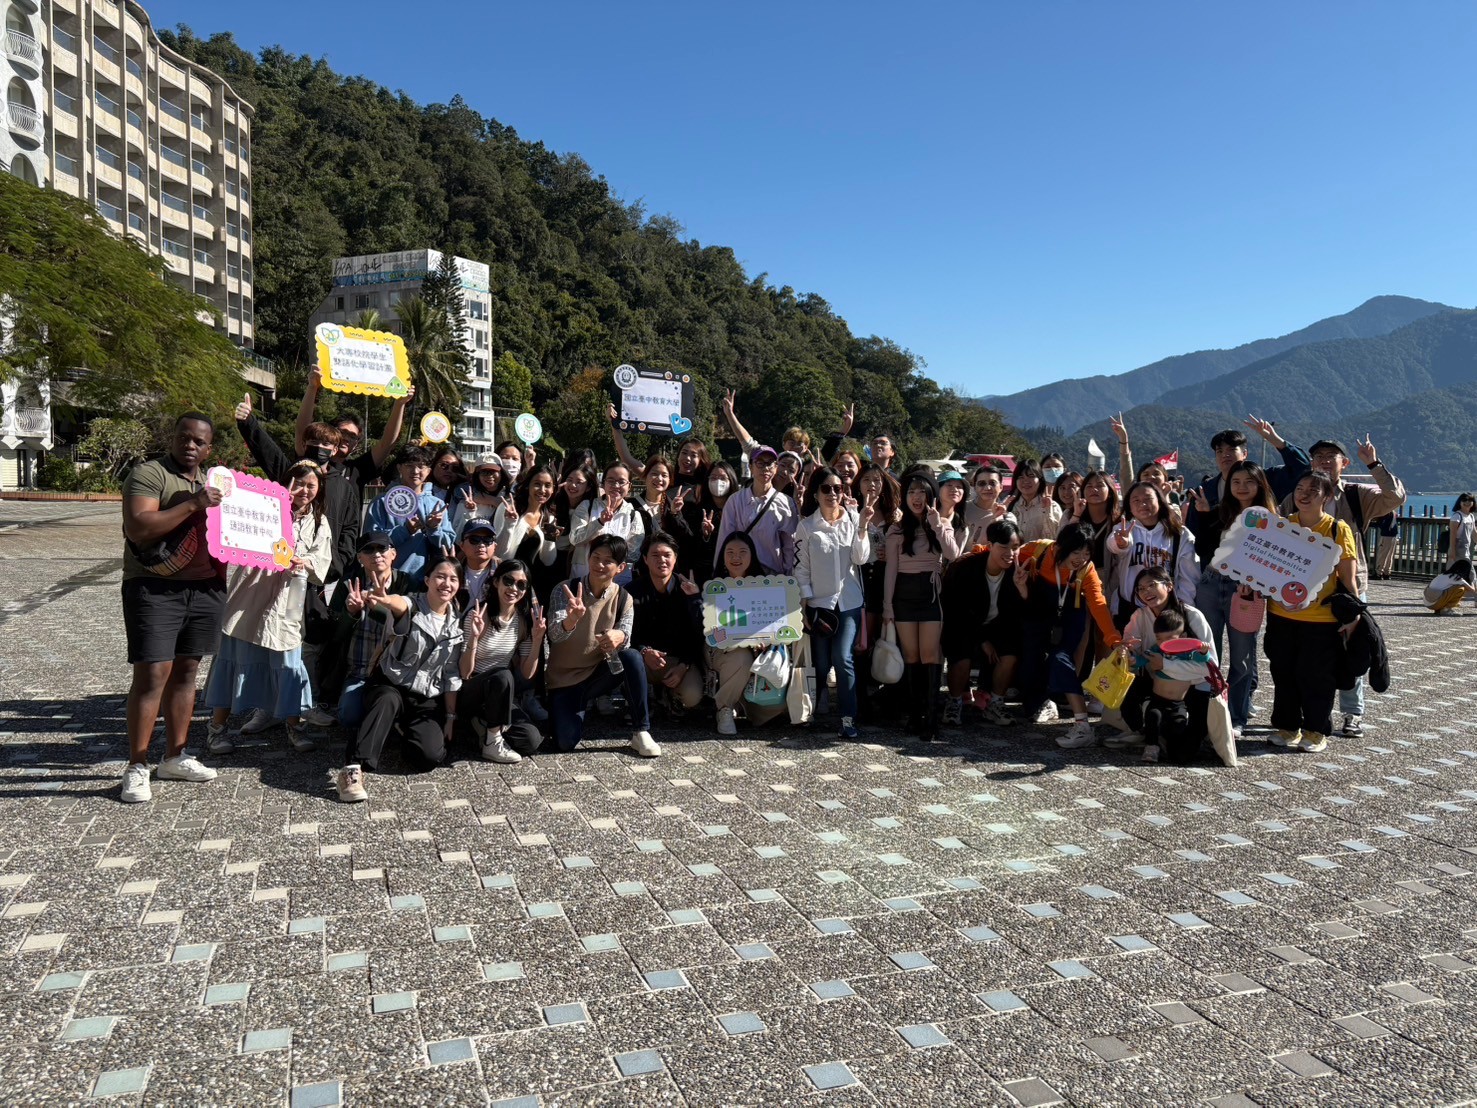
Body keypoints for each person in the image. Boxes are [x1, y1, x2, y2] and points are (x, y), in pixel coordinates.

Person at [119, 413, 226, 803]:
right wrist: (195, 504)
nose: (190, 445)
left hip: (205, 588)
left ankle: (175, 757)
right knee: (152, 675)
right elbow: (139, 528)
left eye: (199, 441)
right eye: (184, 437)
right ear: (174, 438)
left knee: (187, 672)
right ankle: (137, 765)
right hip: (154, 588)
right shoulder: (150, 474)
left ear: (209, 448)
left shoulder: (216, 482)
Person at [202, 459, 334, 753]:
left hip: (287, 597)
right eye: (298, 483)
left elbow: (320, 562)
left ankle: (294, 726)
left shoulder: (319, 521)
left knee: (288, 662)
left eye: (311, 485)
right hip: (250, 591)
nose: (304, 491)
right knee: (234, 655)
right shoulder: (265, 507)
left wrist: (303, 562)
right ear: (286, 483)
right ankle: (217, 729)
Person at [1284, 437, 1406, 736]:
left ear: (1344, 463)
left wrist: (1373, 464)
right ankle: (1313, 713)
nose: (1324, 460)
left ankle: (1352, 713)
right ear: (1311, 462)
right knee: (1313, 654)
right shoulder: (1297, 495)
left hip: (1348, 584)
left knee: (1352, 649)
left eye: (1332, 455)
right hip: (1307, 586)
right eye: (1318, 456)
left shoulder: (1356, 494)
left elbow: (1395, 497)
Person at [337, 556, 464, 802]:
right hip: (390, 684)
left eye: (453, 579)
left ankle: (396, 730)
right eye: (440, 576)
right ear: (427, 580)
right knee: (387, 701)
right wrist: (384, 599)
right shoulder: (412, 604)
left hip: (425, 697)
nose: (446, 584)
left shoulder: (457, 623)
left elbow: (451, 674)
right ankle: (353, 769)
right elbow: (398, 603)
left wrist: (450, 717)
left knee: (429, 757)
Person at [1263, 470, 1360, 754]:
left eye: (1313, 491)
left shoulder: (1336, 529)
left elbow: (1348, 578)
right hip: (1281, 614)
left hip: (1320, 618)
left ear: (1327, 497)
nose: (1303, 495)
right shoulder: (1283, 526)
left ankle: (1316, 731)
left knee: (1317, 676)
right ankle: (1287, 727)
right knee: (1283, 672)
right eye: (1300, 488)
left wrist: (1354, 616)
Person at [1186, 460, 1277, 735]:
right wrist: (1204, 516)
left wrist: (1256, 583)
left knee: (1242, 656)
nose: (1242, 487)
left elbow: (1271, 561)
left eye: (1249, 481)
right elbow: (1203, 549)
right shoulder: (1219, 512)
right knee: (1207, 652)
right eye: (1236, 482)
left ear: (1260, 485)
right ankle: (1207, 712)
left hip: (1245, 591)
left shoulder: (1272, 521)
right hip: (1211, 584)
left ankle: (1236, 718)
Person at [545, 535, 657, 756]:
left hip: (598, 675)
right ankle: (577, 707)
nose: (599, 564)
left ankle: (641, 731)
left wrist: (619, 636)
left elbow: (626, 637)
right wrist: (571, 620)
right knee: (565, 742)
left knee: (632, 656)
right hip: (564, 680)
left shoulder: (624, 598)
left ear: (620, 568)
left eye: (608, 561)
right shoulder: (565, 589)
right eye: (596, 557)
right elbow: (553, 635)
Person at [1015, 522, 1121, 748]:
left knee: (1061, 658)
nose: (1081, 558)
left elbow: (1098, 605)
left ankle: (1082, 724)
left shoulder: (1087, 570)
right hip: (1039, 609)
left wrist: (1114, 639)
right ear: (1061, 546)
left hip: (1070, 616)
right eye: (1076, 552)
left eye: (1087, 553)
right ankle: (1042, 702)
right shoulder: (1039, 550)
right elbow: (1011, 553)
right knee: (1030, 659)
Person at [233, 393, 356, 581]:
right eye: (313, 442)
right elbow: (267, 452)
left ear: (334, 449)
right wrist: (248, 421)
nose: (319, 447)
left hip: (321, 574)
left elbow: (350, 530)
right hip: (283, 568)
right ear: (304, 444)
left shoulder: (344, 487)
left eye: (325, 444)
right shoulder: (290, 472)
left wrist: (335, 565)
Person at [292, 367, 416, 549]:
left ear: (356, 444)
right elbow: (302, 431)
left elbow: (387, 443)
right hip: (302, 547)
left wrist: (400, 404)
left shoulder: (357, 470)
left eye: (353, 437)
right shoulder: (311, 460)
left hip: (341, 553)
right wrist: (312, 388)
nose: (346, 439)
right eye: (342, 432)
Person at [795, 468, 874, 739]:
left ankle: (848, 717)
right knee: (819, 663)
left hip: (849, 601)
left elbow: (861, 558)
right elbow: (801, 569)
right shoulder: (806, 526)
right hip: (819, 604)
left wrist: (862, 525)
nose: (832, 494)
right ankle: (812, 711)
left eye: (838, 488)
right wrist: (805, 603)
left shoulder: (852, 519)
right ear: (816, 493)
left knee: (843, 657)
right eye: (826, 489)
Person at [884, 470, 960, 738]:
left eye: (922, 492)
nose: (916, 497)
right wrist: (887, 606)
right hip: (903, 595)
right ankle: (915, 715)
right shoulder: (896, 529)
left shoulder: (941, 522)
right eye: (911, 492)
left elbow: (953, 554)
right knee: (911, 656)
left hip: (930, 594)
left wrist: (937, 524)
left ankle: (931, 718)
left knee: (930, 655)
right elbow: (891, 570)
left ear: (931, 496)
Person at [1117, 566, 1218, 763]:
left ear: (1169, 586)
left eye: (1151, 585)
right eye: (1141, 588)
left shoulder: (1191, 615)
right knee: (1125, 687)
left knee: (1181, 755)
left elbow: (1210, 666)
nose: (1146, 592)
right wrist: (1126, 652)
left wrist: (1165, 664)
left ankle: (1183, 734)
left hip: (1194, 689)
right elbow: (1131, 650)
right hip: (1158, 687)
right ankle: (1143, 730)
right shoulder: (1140, 616)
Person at [323, 532, 422, 729]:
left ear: (393, 554)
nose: (376, 554)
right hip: (359, 672)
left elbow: (411, 629)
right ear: (359, 557)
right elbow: (334, 635)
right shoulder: (348, 584)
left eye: (382, 548)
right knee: (349, 718)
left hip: (397, 674)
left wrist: (378, 609)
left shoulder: (408, 583)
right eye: (368, 550)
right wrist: (350, 613)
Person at [941, 519, 1026, 727]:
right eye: (1004, 547)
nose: (1010, 553)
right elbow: (956, 611)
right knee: (962, 655)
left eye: (1015, 547)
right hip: (963, 626)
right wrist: (982, 640)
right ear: (990, 546)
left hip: (996, 628)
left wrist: (1023, 590)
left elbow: (1020, 616)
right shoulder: (965, 567)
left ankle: (995, 703)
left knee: (1010, 654)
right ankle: (954, 702)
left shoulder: (1019, 571)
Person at [460, 559, 546, 763]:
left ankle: (482, 725)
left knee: (531, 740)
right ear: (496, 582)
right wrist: (474, 638)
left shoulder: (523, 622)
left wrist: (537, 640)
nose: (514, 588)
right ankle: (492, 742)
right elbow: (464, 672)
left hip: (501, 694)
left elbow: (527, 673)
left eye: (521, 585)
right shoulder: (478, 615)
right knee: (503, 675)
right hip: (472, 689)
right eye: (508, 581)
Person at [709, 533, 791, 734]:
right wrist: (745, 640)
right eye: (730, 552)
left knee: (776, 706)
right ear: (722, 556)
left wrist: (768, 640)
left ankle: (744, 705)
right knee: (741, 658)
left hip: (759, 650)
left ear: (752, 555)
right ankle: (724, 707)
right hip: (722, 650)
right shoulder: (714, 587)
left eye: (742, 552)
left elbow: (776, 625)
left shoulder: (765, 585)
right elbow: (714, 635)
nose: (736, 557)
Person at [630, 533, 707, 715]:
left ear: (675, 558)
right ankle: (643, 698)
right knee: (629, 662)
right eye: (655, 555)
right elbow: (626, 634)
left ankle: (669, 695)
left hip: (678, 661)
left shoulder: (688, 589)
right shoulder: (632, 591)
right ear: (645, 559)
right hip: (644, 659)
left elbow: (699, 634)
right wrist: (644, 651)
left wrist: (684, 666)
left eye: (667, 555)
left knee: (691, 696)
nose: (662, 560)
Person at [1105, 480, 1200, 624]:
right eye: (1136, 500)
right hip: (1130, 608)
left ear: (1160, 501)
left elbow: (1189, 577)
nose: (1142, 504)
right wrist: (1121, 543)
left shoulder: (1180, 534)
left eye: (1148, 499)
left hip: (1167, 611)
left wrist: (1184, 610)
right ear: (1129, 506)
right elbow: (1113, 544)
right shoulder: (1123, 529)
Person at [1185, 418, 1310, 526]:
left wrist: (1276, 440)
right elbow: (1193, 530)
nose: (1225, 455)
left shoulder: (1265, 479)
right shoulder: (1204, 491)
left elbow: (1302, 468)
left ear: (1245, 454)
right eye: (1220, 451)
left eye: (1231, 449)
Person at [365, 446, 456, 581]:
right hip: (388, 578)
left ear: (428, 470)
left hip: (426, 580)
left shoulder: (437, 504)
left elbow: (447, 545)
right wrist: (405, 530)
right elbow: (370, 542)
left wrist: (433, 529)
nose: (415, 471)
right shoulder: (381, 502)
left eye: (421, 466)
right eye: (409, 466)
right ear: (399, 468)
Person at [715, 446, 797, 575]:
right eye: (760, 463)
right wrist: (719, 571)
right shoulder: (735, 501)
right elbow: (725, 539)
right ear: (751, 467)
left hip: (772, 575)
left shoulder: (786, 503)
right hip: (740, 574)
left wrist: (788, 576)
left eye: (770, 463)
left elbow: (789, 545)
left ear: (776, 467)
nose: (765, 468)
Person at [569, 464, 646, 583]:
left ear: (629, 486)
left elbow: (633, 555)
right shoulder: (587, 506)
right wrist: (599, 522)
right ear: (603, 483)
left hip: (617, 582)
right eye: (611, 480)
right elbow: (575, 539)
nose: (616, 486)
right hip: (583, 576)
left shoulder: (633, 515)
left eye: (622, 482)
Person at [495, 464, 559, 573]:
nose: (542, 490)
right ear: (528, 485)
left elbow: (548, 561)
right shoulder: (508, 508)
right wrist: (509, 524)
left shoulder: (549, 518)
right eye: (537, 484)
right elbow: (498, 553)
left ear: (553, 489)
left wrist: (550, 538)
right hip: (503, 575)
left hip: (528, 578)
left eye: (548, 485)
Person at [1005, 459, 1062, 543]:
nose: (1026, 481)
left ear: (1040, 479)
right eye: (1021, 477)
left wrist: (1048, 513)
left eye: (1031, 476)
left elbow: (1055, 539)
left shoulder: (1052, 506)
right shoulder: (1010, 506)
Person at [448, 456, 507, 534]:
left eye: (493, 471)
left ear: (501, 473)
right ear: (477, 475)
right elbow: (457, 533)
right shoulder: (466, 501)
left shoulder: (510, 495)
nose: (489, 476)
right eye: (484, 472)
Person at [963, 466, 1015, 548]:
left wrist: (998, 519)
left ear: (1001, 487)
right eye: (981, 483)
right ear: (975, 487)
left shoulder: (1008, 518)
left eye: (992, 483)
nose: (987, 488)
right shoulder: (962, 509)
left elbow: (1007, 547)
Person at [456, 518, 499, 609]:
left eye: (487, 539)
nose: (481, 544)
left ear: (495, 546)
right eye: (474, 539)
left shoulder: (504, 573)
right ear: (462, 545)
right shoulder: (453, 572)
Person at [933, 469, 970, 556]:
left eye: (959, 487)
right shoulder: (926, 516)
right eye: (949, 485)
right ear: (938, 489)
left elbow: (954, 558)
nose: (955, 489)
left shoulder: (961, 527)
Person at [1450, 495, 1477, 568]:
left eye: (1470, 500)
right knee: (1469, 572)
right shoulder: (1457, 516)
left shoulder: (1471, 516)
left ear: (1473, 503)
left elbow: (1474, 534)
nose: (1467, 502)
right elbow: (1452, 536)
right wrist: (1452, 552)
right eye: (1464, 500)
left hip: (1466, 549)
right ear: (1460, 502)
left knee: (1459, 572)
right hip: (1458, 549)